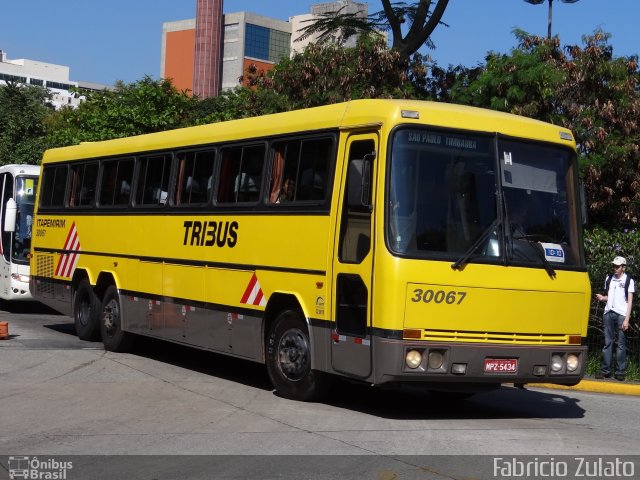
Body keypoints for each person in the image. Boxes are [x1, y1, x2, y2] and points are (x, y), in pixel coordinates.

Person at [595, 256, 634, 381]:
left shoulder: (629, 280)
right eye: (614, 266)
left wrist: (627, 320)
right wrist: (603, 298)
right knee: (608, 343)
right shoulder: (609, 278)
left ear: (623, 267)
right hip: (608, 313)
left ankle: (620, 371)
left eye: (617, 266)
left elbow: (629, 301)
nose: (615, 268)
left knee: (621, 344)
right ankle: (605, 371)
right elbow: (610, 296)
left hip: (622, 315)